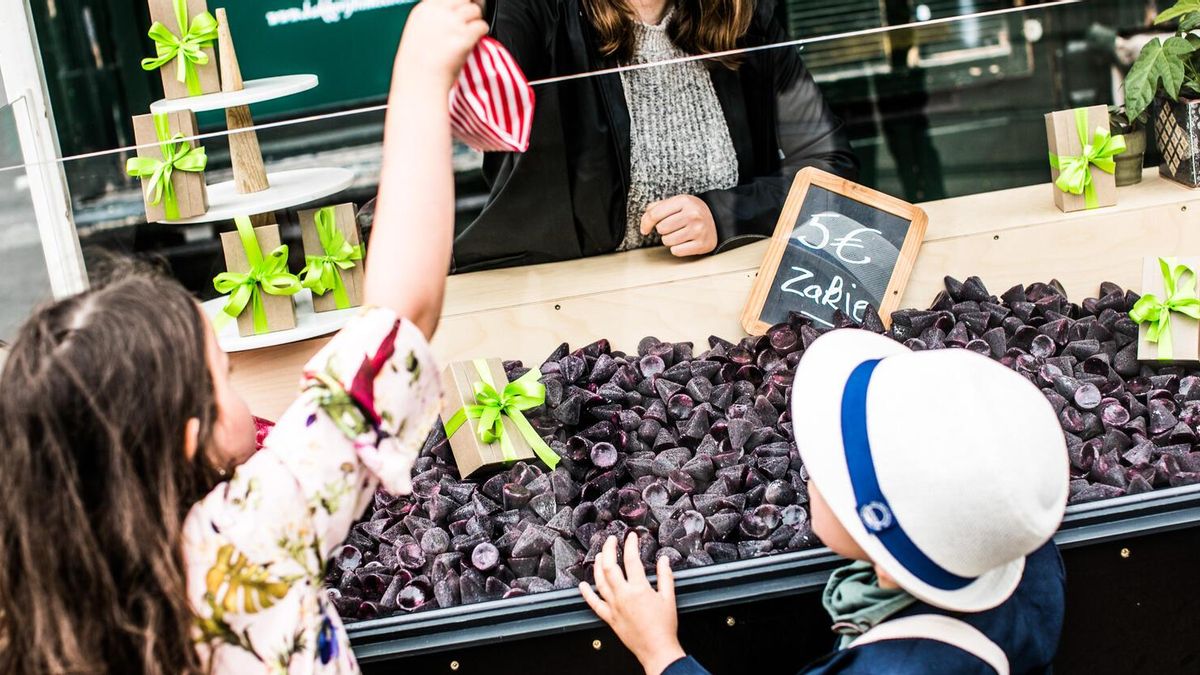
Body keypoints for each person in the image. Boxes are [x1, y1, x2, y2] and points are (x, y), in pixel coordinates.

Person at [0, 2, 486, 673]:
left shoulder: (33, 609)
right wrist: (419, 72)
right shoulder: (243, 544)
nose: (242, 391)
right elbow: (403, 312)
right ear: (187, 437)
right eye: (222, 375)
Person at [579, 329, 1070, 674]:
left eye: (831, 471)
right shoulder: (1016, 547)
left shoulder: (894, 669)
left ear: (883, 543)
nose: (809, 470)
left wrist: (661, 653)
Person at [452, 0, 859, 272]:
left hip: (726, 294)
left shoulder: (743, 17)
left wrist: (725, 215)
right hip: (577, 320)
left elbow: (832, 171)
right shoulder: (540, 12)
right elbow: (473, 97)